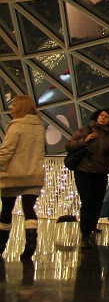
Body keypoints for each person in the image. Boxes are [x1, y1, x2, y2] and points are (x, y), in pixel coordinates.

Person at [0, 95, 46, 260]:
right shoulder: (39, 127)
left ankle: (1, 243)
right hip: (34, 174)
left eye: (14, 105)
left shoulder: (16, 125)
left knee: (6, 209)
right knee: (29, 209)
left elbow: (7, 150)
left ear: (21, 107)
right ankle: (31, 243)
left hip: (13, 174)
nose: (12, 109)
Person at [66, 109, 109, 248]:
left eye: (106, 116)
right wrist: (84, 140)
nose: (103, 118)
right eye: (101, 115)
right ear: (97, 117)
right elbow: (69, 145)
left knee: (97, 201)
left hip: (100, 172)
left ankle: (91, 225)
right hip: (83, 171)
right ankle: (85, 234)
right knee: (87, 202)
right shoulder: (85, 130)